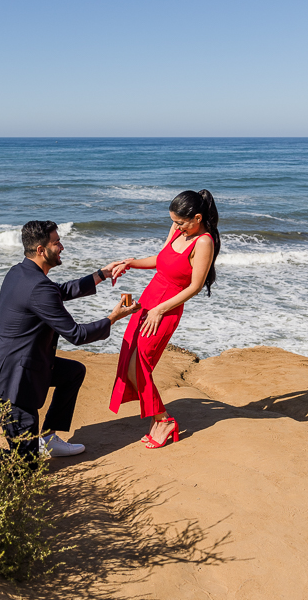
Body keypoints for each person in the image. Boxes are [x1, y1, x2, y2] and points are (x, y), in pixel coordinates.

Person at [0, 220, 139, 462]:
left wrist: (101, 275)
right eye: (57, 243)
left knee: (72, 372)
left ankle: (48, 438)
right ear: (42, 250)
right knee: (26, 465)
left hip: (11, 367)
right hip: (10, 385)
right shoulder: (39, 288)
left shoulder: (19, 272)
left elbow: (58, 291)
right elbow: (77, 335)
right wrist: (113, 317)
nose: (62, 247)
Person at [108, 190, 221, 448]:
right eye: (174, 222)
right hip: (149, 299)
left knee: (140, 366)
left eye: (181, 223)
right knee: (128, 362)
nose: (177, 228)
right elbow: (160, 260)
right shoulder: (178, 230)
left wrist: (159, 310)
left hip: (166, 309)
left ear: (198, 218)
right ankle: (159, 419)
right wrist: (131, 263)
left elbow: (194, 286)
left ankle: (163, 420)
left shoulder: (203, 242)